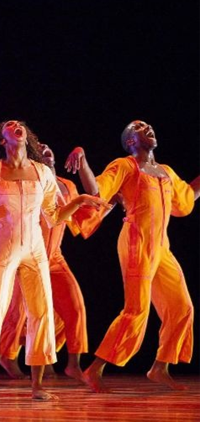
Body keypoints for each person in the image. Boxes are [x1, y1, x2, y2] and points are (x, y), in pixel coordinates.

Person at [0, 120, 108, 401]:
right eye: (10, 125)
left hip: (35, 248)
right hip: (3, 247)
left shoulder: (42, 172)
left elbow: (53, 217)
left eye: (20, 124)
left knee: (41, 311)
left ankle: (38, 386)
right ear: (3, 141)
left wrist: (79, 201)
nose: (16, 125)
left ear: (27, 138)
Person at [65, 120, 199, 392]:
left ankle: (160, 367)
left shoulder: (166, 172)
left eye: (148, 125)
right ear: (130, 142)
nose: (147, 127)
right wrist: (83, 158)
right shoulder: (125, 166)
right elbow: (96, 191)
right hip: (137, 243)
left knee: (182, 307)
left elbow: (186, 199)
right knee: (136, 310)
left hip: (161, 247)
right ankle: (95, 369)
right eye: (139, 126)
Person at [0, 143, 98, 385]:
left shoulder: (67, 186)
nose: (45, 148)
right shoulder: (27, 184)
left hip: (54, 258)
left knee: (75, 308)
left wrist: (82, 157)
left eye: (48, 148)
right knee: (13, 314)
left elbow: (91, 201)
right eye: (39, 149)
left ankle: (73, 364)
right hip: (26, 254)